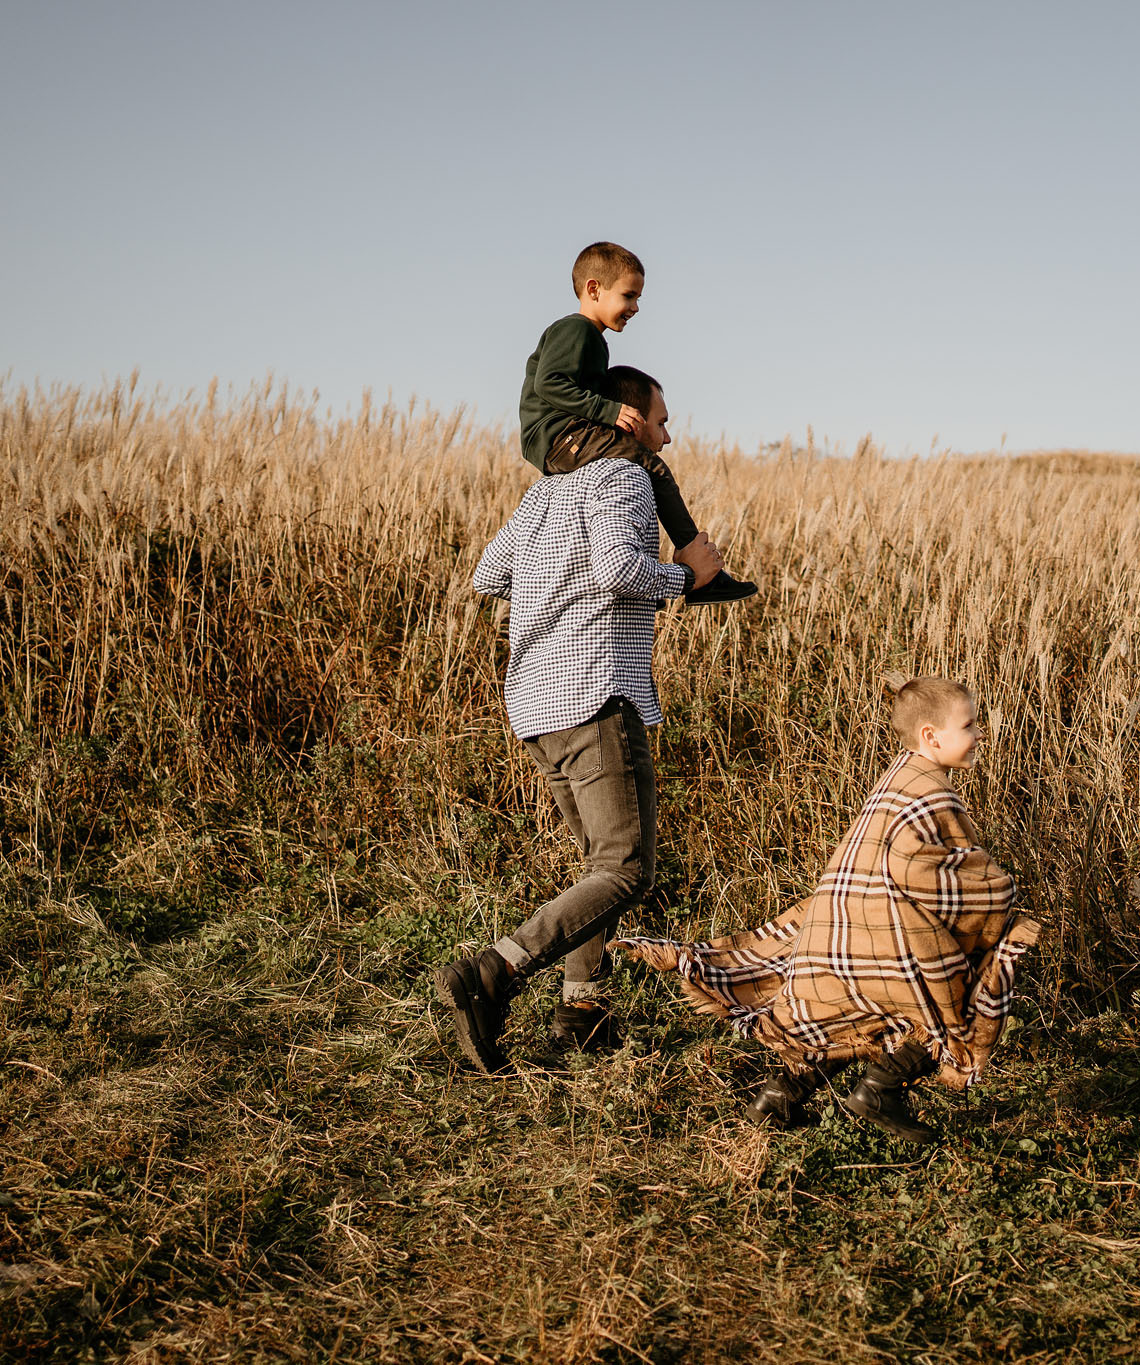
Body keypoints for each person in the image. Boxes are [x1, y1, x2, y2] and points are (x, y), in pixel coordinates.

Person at [435, 381, 725, 1070]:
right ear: (630, 420)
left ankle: (583, 1013)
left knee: (600, 865)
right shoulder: (626, 478)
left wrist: (553, 592)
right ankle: (493, 971)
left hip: (537, 700)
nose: (668, 435)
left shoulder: (546, 491)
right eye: (661, 420)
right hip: (596, 695)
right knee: (626, 870)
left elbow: (489, 573)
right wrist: (685, 574)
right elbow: (618, 570)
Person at [618, 678, 1039, 1144]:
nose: (981, 733)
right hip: (879, 930)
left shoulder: (902, 776)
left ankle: (778, 1100)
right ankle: (881, 1089)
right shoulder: (931, 794)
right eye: (970, 724)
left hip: (845, 926)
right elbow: (931, 873)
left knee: (846, 1009)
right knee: (954, 994)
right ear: (930, 735)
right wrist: (999, 895)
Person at [520, 240, 755, 605]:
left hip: (561, 438)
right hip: (559, 436)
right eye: (629, 296)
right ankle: (698, 563)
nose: (635, 307)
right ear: (594, 289)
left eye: (638, 298)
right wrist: (609, 412)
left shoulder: (590, 338)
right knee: (652, 467)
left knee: (642, 459)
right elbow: (548, 384)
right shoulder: (577, 330)